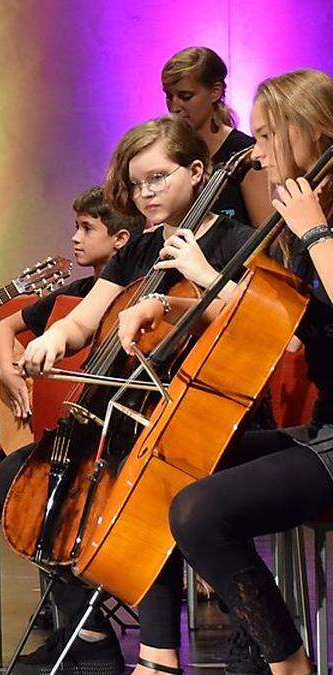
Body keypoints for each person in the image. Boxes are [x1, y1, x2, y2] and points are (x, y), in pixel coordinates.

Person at [5, 114, 257, 675]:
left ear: (197, 171)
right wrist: (51, 338)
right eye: (138, 183)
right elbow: (87, 321)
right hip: (122, 410)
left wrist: (203, 271)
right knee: (20, 473)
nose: (144, 195)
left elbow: (254, 328)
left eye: (158, 178)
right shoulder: (137, 251)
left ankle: (159, 652)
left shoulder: (236, 241)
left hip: (196, 415)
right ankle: (87, 629)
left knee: (142, 487)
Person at [118, 68, 333, 675]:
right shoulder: (301, 217)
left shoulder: (313, 220)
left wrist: (314, 228)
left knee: (200, 510)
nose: (255, 151)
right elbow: (279, 325)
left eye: (266, 136)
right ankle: (159, 655)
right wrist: (164, 304)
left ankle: (287, 664)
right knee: (168, 466)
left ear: (307, 133)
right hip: (322, 428)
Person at [0, 186, 137, 423]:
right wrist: (7, 372)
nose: (75, 237)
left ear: (120, 239)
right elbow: (3, 327)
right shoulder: (73, 292)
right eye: (76, 227)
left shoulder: (134, 294)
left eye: (87, 229)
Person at [162, 46, 271, 227]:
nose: (174, 107)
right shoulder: (168, 152)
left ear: (215, 92)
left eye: (185, 96)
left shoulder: (246, 153)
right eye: (169, 96)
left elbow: (266, 237)